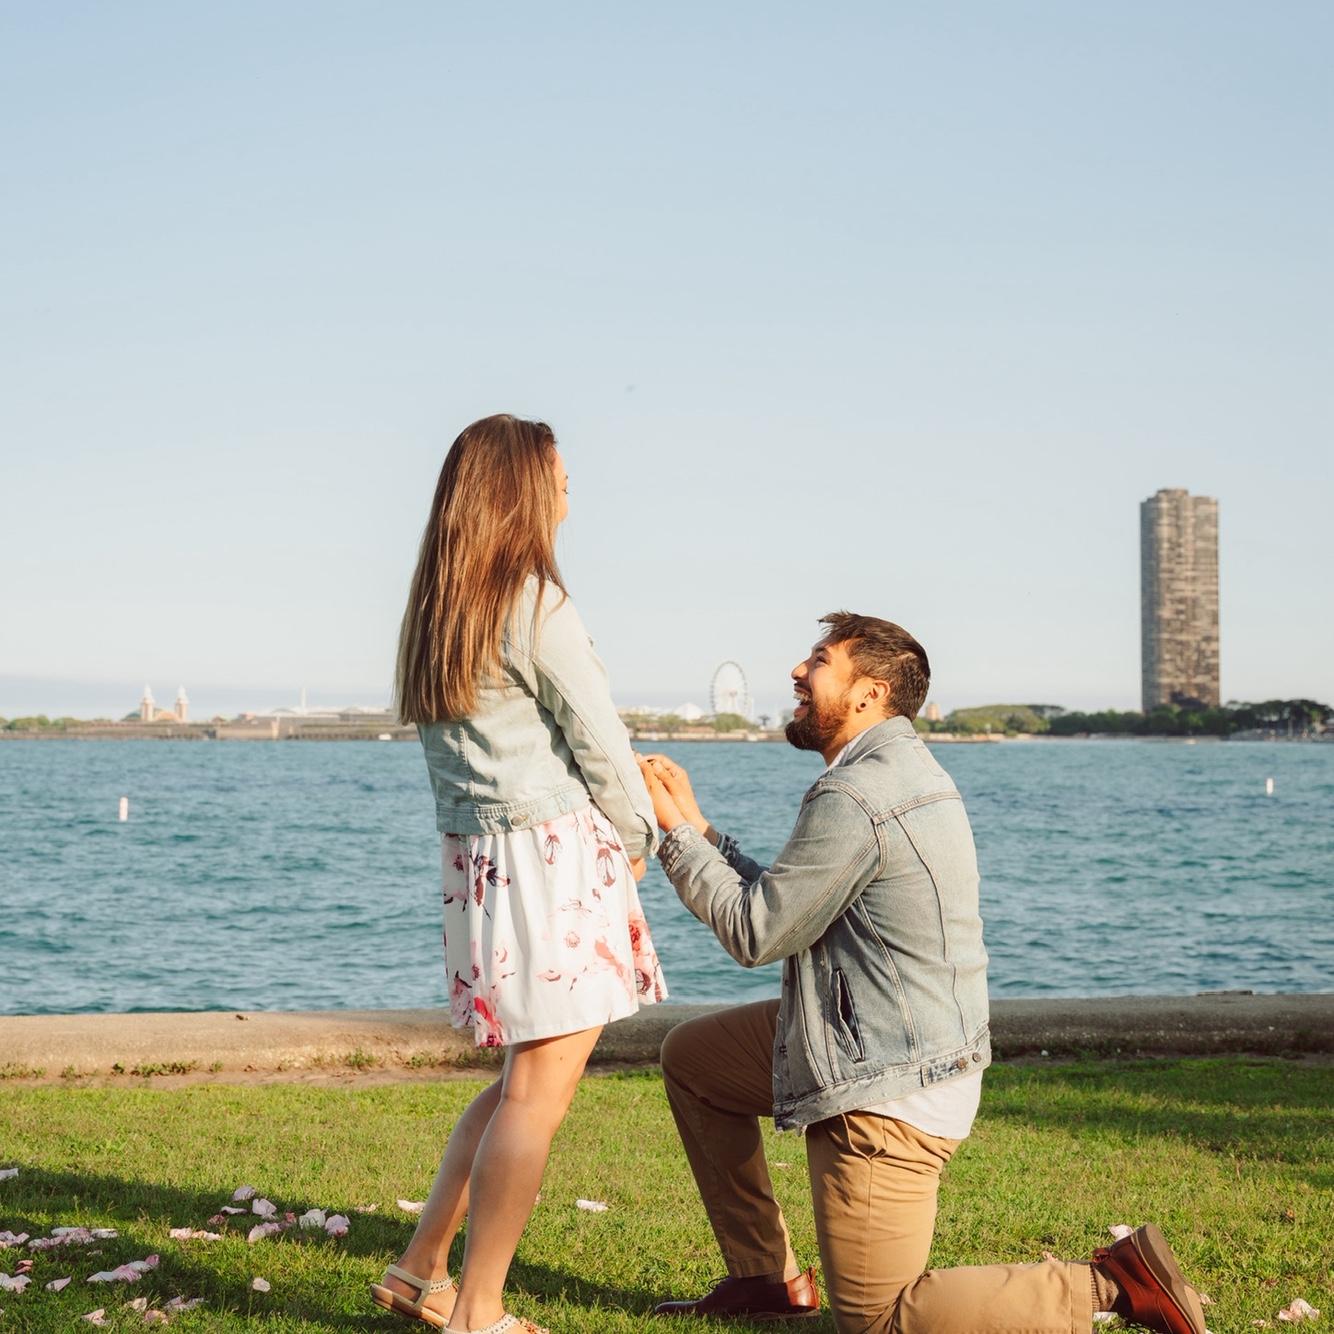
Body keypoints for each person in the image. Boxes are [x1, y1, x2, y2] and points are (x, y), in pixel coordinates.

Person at [637, 612, 1207, 1334]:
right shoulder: (893, 773)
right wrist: (705, 829)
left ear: (870, 693)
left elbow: (757, 932)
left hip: (889, 1080)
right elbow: (794, 902)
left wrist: (676, 838)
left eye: (818, 660)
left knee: (876, 1319)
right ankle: (765, 1281)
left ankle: (1111, 1285)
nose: (796, 673)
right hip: (883, 1033)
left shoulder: (857, 795)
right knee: (694, 1060)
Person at [371, 414, 667, 1334]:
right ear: (524, 492)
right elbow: (602, 743)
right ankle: (481, 1311)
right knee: (537, 1096)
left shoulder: (441, 613)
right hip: (551, 860)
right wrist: (640, 838)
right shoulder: (534, 602)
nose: (571, 493)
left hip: (486, 865)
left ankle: (422, 1268)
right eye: (561, 478)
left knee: (516, 1087)